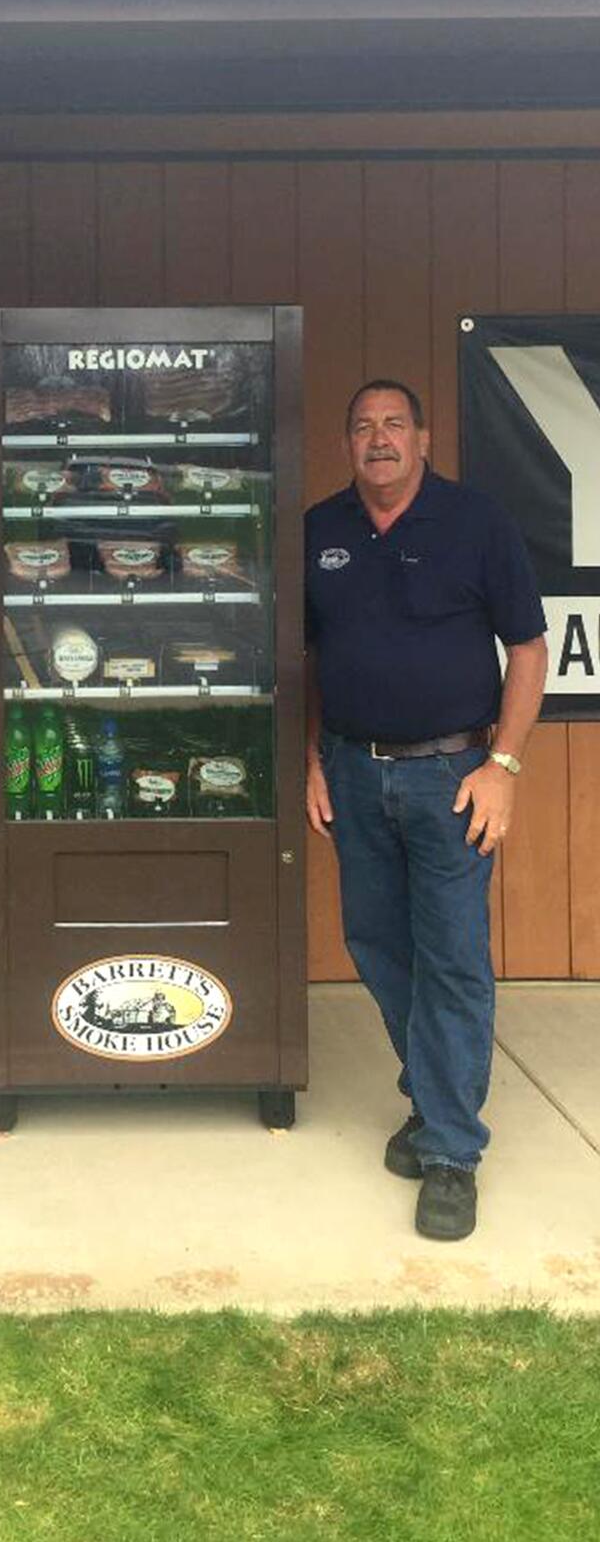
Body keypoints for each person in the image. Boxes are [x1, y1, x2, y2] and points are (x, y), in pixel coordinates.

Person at [305, 381, 547, 1242]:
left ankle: (450, 1151)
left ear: (424, 439)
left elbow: (527, 650)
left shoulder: (477, 523)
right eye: (363, 425)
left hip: (454, 777)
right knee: (376, 943)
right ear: (347, 445)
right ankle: (435, 1089)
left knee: (451, 959)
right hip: (354, 773)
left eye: (394, 425)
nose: (379, 439)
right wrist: (314, 761)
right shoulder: (320, 530)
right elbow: (309, 658)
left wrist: (504, 766)